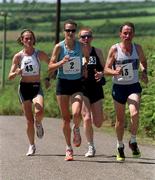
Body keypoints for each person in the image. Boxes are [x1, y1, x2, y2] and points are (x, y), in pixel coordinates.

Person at [104, 22, 148, 161]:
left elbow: (143, 61)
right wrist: (114, 71)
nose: (127, 36)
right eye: (125, 33)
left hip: (133, 86)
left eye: (130, 33)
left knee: (134, 113)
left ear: (133, 34)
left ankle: (133, 141)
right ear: (120, 34)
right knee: (120, 120)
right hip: (119, 87)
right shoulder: (115, 49)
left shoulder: (138, 48)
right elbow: (106, 69)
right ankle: (120, 145)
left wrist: (143, 71)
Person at [48, 19, 89, 161]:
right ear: (64, 32)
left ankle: (76, 128)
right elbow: (50, 66)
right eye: (68, 30)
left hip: (77, 83)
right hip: (63, 84)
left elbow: (86, 59)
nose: (70, 33)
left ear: (75, 32)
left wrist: (84, 67)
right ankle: (68, 148)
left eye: (72, 30)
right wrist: (61, 62)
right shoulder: (59, 47)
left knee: (77, 112)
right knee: (66, 118)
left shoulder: (81, 46)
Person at [8, 29, 50, 156]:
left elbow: (51, 65)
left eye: (31, 38)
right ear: (22, 40)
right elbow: (10, 76)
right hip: (24, 88)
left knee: (39, 111)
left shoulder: (39, 54)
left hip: (36, 86)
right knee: (28, 120)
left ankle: (39, 123)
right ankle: (32, 145)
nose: (29, 40)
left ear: (34, 39)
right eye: (26, 38)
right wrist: (16, 73)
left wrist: (48, 78)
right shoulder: (18, 56)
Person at [78, 27, 105, 157]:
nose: (86, 39)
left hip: (96, 87)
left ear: (92, 38)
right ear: (79, 39)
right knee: (87, 118)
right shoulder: (76, 54)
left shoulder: (97, 52)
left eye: (88, 36)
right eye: (83, 37)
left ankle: (86, 121)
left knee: (98, 123)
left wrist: (102, 73)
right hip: (82, 88)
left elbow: (106, 69)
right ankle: (91, 146)